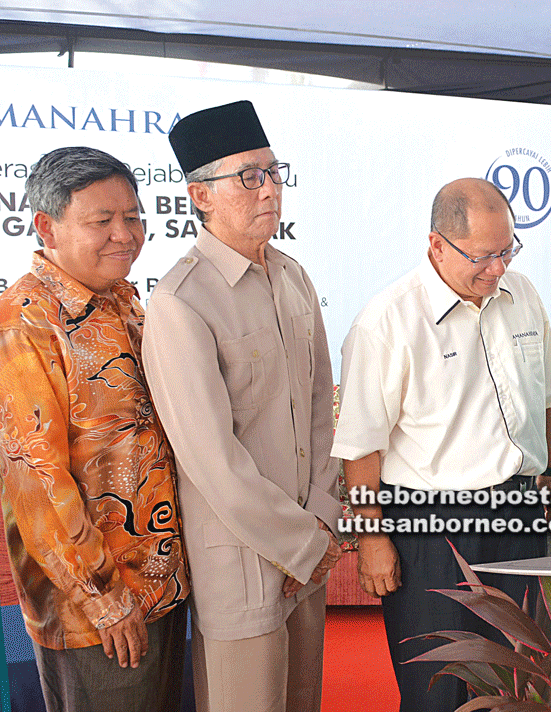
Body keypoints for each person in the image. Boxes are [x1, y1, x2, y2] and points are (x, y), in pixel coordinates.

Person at [331, 177, 551, 712]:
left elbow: (548, 395)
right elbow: (361, 448)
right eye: (481, 257)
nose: (497, 268)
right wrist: (371, 541)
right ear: (436, 245)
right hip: (433, 530)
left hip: (518, 512)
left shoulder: (522, 293)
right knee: (438, 690)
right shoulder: (388, 320)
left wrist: (549, 471)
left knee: (516, 679)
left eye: (507, 251)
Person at [142, 101, 343, 712]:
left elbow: (320, 408)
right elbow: (211, 461)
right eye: (248, 177)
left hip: (308, 545)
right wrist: (301, 544)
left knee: (303, 700)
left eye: (274, 172)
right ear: (200, 195)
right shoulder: (181, 301)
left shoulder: (293, 276)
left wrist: (323, 518)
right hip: (244, 557)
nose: (269, 190)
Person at [0, 147, 189, 711]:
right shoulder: (26, 322)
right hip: (98, 612)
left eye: (132, 216)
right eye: (101, 221)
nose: (124, 234)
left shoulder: (123, 300)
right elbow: (36, 482)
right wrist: (102, 597)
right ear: (46, 228)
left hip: (162, 587)